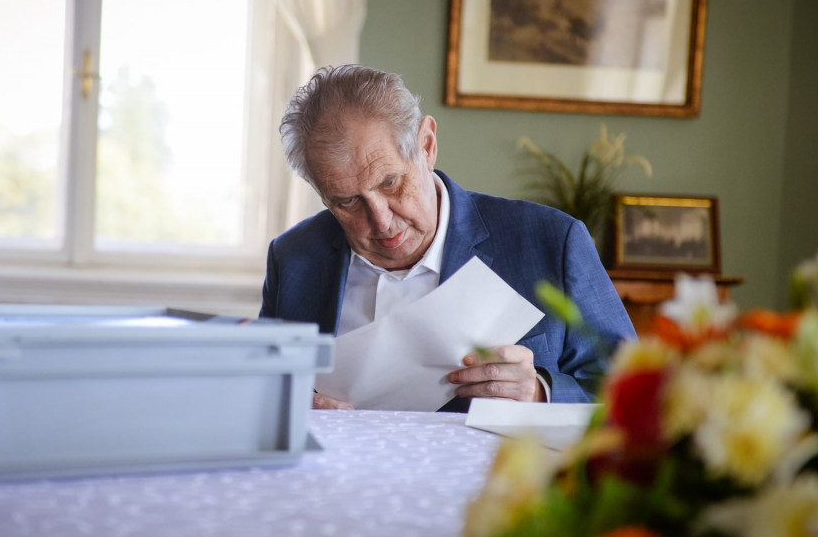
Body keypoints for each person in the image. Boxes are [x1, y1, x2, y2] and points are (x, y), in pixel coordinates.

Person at [260, 65, 635, 411]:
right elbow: (262, 392)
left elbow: (634, 394)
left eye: (390, 183)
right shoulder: (294, 258)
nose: (380, 220)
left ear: (426, 145)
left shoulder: (551, 241)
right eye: (346, 201)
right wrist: (291, 408)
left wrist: (540, 392)